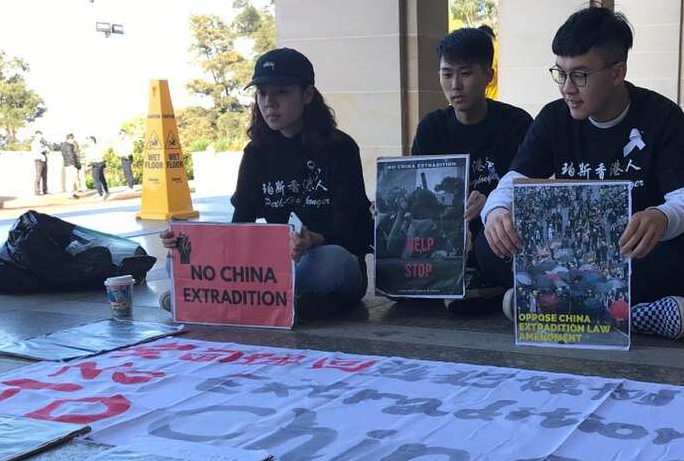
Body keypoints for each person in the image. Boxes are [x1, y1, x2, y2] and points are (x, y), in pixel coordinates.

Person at [480, 6, 684, 339]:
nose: (567, 88)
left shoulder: (661, 117)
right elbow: (513, 180)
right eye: (560, 73)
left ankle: (549, 308)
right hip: (567, 257)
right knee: (486, 244)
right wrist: (497, 211)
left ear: (617, 72)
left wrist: (660, 218)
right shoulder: (554, 118)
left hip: (634, 253)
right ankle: (638, 315)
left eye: (580, 75)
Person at [160, 48, 373, 320]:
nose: (269, 102)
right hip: (274, 265)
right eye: (261, 93)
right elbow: (241, 224)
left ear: (307, 95)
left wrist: (312, 240)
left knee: (332, 263)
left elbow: (357, 234)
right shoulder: (256, 152)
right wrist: (191, 239)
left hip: (321, 259)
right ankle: (286, 302)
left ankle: (231, 300)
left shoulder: (339, 148)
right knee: (176, 258)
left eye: (281, 92)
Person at [411, 26, 533, 313]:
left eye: (465, 74)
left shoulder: (515, 124)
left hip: (497, 234)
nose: (455, 85)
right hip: (446, 231)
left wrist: (491, 201)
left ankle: (483, 284)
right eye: (447, 74)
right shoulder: (432, 128)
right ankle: (478, 287)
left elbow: (530, 188)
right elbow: (420, 189)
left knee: (495, 236)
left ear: (488, 76)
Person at [60, 133, 82, 198]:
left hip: (67, 164)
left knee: (69, 179)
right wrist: (76, 165)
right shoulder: (68, 146)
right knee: (71, 179)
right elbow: (71, 156)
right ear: (70, 139)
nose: (73, 140)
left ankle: (70, 193)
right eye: (73, 139)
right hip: (71, 165)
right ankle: (70, 194)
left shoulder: (63, 145)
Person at [30, 131, 49, 195]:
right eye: (39, 135)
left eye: (41, 136)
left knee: (45, 176)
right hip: (38, 160)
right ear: (36, 135)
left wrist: (47, 150)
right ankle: (37, 191)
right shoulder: (34, 143)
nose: (40, 137)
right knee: (38, 176)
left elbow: (46, 150)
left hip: (44, 160)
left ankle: (45, 190)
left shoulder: (42, 143)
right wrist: (45, 149)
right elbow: (37, 151)